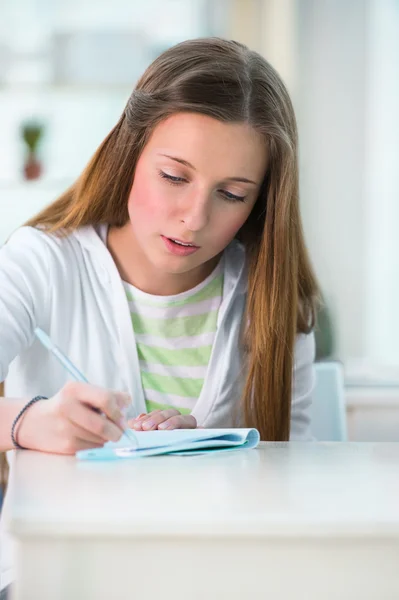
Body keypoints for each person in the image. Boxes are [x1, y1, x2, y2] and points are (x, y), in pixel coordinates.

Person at [0, 36, 318, 593]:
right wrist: (27, 422)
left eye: (233, 194)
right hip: (63, 578)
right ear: (129, 155)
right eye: (174, 177)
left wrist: (207, 456)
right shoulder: (42, 261)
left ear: (262, 200)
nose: (194, 218)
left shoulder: (271, 296)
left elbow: (298, 480)